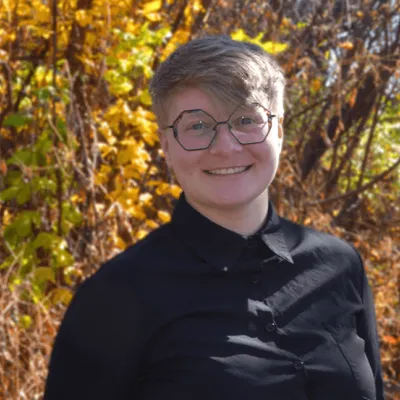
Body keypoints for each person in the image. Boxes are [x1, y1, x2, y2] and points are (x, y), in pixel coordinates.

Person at [43, 35, 384, 400]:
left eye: (246, 119)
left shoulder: (339, 265)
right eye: (198, 126)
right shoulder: (114, 298)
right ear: (166, 147)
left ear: (280, 131)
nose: (226, 147)